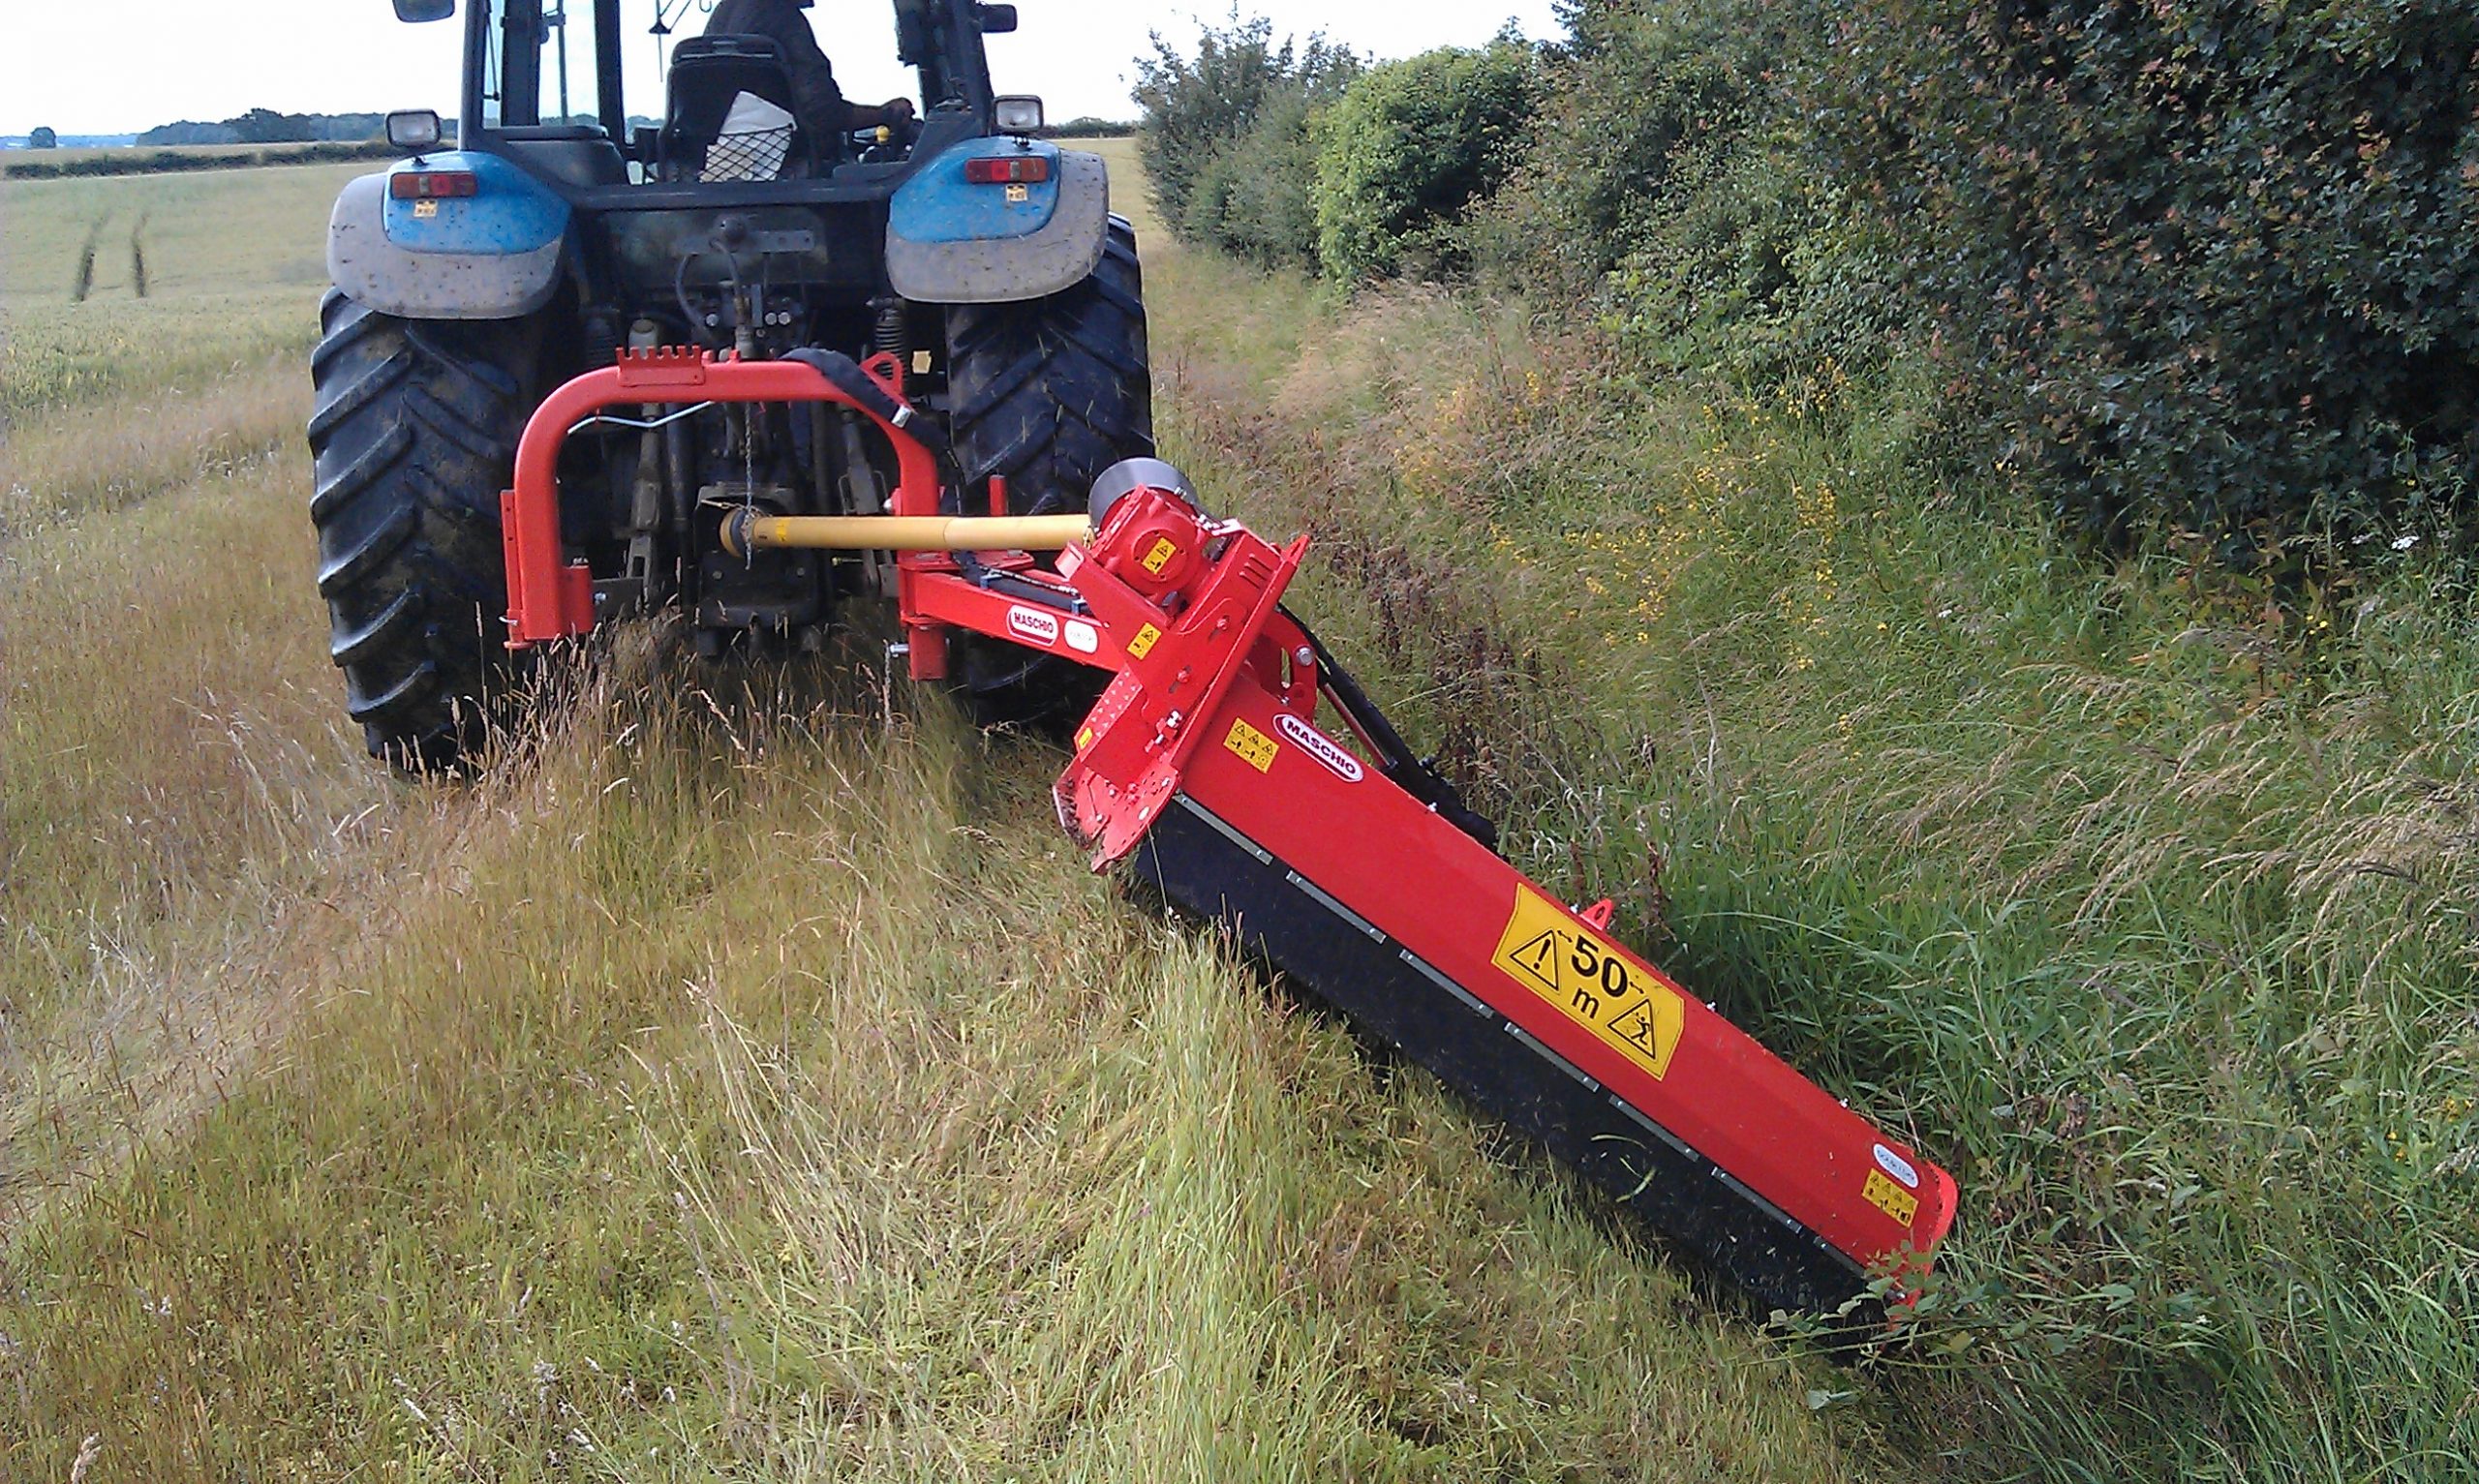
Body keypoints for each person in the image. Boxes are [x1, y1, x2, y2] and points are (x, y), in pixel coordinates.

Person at [701, 0, 914, 145]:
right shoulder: (784, 19)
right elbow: (822, 112)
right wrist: (887, 114)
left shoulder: (724, 16)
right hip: (783, 161)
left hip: (720, 160)